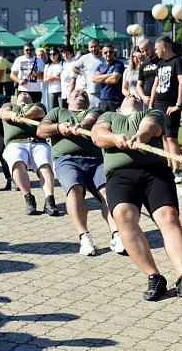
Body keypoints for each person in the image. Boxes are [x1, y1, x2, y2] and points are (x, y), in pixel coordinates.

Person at [91, 96, 182, 301]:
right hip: (120, 175)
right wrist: (116, 140)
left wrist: (140, 137)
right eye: (127, 95)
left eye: (136, 95)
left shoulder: (150, 113)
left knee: (168, 216)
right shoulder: (109, 116)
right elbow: (97, 136)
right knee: (123, 215)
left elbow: (151, 127)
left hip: (155, 172)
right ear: (120, 110)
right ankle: (154, 276)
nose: (132, 94)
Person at [37, 88, 122, 254]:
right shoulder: (58, 112)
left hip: (97, 160)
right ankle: (84, 237)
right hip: (67, 159)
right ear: (67, 99)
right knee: (74, 189)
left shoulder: (95, 110)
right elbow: (41, 130)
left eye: (84, 92)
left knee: (107, 192)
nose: (80, 92)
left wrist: (81, 126)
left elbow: (91, 120)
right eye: (75, 92)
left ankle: (116, 234)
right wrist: (58, 127)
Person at [0, 92, 59, 215]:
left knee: (44, 164)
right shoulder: (10, 106)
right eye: (20, 93)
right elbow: (2, 113)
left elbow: (38, 111)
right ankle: (29, 198)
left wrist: (25, 115)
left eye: (27, 94)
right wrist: (12, 115)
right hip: (15, 142)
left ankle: (49, 201)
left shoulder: (37, 105)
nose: (23, 93)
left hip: (37, 142)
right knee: (16, 161)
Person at [150, 37, 182, 184]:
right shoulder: (160, 63)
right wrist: (151, 104)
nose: (156, 51)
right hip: (159, 104)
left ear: (164, 47)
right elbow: (156, 84)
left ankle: (176, 170)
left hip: (171, 105)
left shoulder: (178, 62)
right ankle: (169, 166)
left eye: (157, 48)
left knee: (172, 138)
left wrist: (178, 104)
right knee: (163, 137)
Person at [92, 44, 126, 112]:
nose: (108, 54)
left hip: (116, 99)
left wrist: (100, 78)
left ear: (114, 53)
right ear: (102, 54)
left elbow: (114, 80)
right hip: (103, 98)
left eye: (110, 52)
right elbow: (94, 79)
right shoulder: (100, 66)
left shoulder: (118, 64)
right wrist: (109, 75)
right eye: (105, 52)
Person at [73, 38, 105, 109]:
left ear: (99, 46)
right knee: (93, 113)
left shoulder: (104, 57)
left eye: (95, 46)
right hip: (91, 90)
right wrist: (84, 75)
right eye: (91, 47)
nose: (93, 49)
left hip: (104, 91)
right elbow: (74, 68)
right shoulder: (85, 58)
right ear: (88, 48)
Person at [136, 38, 159, 108]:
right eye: (142, 51)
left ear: (152, 46)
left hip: (160, 99)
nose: (145, 53)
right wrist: (143, 97)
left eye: (146, 50)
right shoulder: (144, 64)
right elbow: (139, 85)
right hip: (147, 100)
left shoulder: (161, 61)